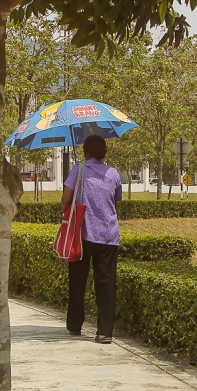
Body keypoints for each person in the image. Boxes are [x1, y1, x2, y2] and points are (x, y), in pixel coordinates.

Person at [62, 134, 121, 343]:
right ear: (103, 152)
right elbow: (116, 199)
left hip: (82, 234)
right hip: (108, 236)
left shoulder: (78, 171)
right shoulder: (113, 173)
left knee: (77, 281)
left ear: (86, 152)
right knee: (106, 284)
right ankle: (105, 332)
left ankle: (74, 324)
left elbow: (65, 199)